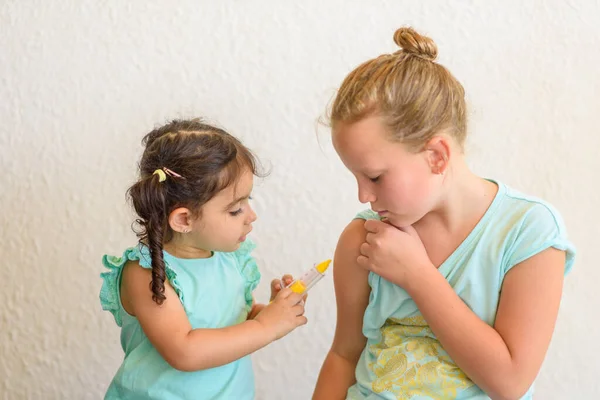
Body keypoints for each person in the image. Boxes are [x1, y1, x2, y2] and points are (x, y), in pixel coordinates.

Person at [313, 27, 575, 400]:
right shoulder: (363, 240)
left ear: (437, 156)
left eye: (374, 176)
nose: (363, 195)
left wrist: (417, 275)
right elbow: (343, 355)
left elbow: (510, 382)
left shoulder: (527, 232)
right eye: (355, 176)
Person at [100, 118, 306, 399]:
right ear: (184, 219)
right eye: (235, 209)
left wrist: (270, 311)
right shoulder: (146, 273)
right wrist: (265, 327)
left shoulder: (228, 260)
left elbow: (230, 325)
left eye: (249, 202)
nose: (251, 216)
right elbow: (185, 351)